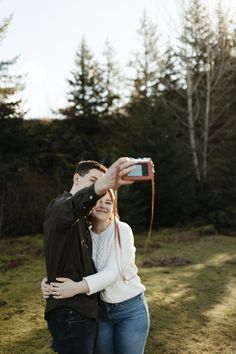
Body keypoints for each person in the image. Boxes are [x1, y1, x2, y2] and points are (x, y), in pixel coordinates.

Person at [42, 158, 136, 354]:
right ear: (76, 178)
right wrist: (101, 185)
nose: (98, 191)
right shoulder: (61, 206)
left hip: (82, 311)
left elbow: (67, 256)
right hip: (70, 312)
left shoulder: (83, 222)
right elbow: (72, 206)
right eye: (92, 180)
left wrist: (49, 279)